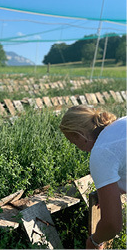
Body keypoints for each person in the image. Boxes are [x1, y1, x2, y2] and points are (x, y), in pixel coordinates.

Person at [59, 105, 126, 249]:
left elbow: (112, 224)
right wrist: (111, 195)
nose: (77, 147)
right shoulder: (120, 126)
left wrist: (95, 241)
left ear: (79, 134)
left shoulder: (101, 152)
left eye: (73, 142)